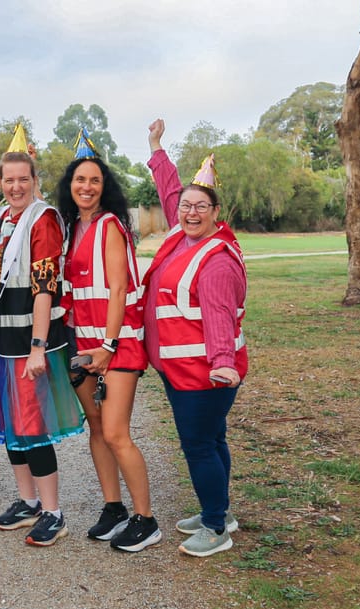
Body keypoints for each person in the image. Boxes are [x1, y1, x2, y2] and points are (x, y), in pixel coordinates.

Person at [0, 128, 84, 547]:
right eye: (9, 180)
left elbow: (44, 285)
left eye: (23, 180)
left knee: (31, 425)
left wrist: (37, 345)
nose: (16, 186)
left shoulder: (42, 218)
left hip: (27, 341)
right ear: (0, 182)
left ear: (35, 181)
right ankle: (27, 501)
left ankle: (53, 512)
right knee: (10, 422)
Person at [144, 119, 248, 557]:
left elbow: (220, 315)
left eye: (200, 206)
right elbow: (170, 192)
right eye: (186, 205)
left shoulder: (216, 259)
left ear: (215, 213)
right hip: (179, 367)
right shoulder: (181, 236)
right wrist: (156, 149)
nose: (189, 212)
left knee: (200, 446)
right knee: (213, 440)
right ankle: (220, 511)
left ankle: (214, 527)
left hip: (204, 372)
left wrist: (222, 362)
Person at [55, 128, 162, 553]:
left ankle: (146, 519)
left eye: (95, 180)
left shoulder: (109, 226)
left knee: (117, 432)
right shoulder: (70, 228)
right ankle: (114, 508)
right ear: (71, 186)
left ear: (104, 188)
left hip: (115, 345)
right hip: (84, 343)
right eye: (80, 180)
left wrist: (109, 346)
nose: (86, 187)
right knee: (96, 429)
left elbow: (118, 289)